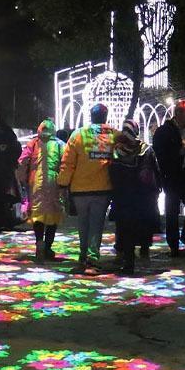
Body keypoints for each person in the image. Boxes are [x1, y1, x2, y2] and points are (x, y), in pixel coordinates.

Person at [58, 103, 116, 273]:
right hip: (103, 188)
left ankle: (83, 257)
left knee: (83, 223)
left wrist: (62, 183)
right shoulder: (113, 134)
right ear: (106, 116)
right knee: (97, 224)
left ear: (91, 116)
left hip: (80, 189)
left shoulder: (78, 134)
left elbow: (67, 162)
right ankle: (92, 258)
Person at [109, 120, 161, 276]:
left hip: (123, 196)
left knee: (125, 228)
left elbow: (112, 173)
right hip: (143, 196)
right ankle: (144, 252)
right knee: (142, 225)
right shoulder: (145, 149)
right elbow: (155, 171)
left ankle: (127, 260)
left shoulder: (117, 150)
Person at [151, 99, 185, 256]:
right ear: (178, 113)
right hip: (172, 176)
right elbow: (159, 153)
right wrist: (176, 155)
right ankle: (173, 244)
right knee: (172, 211)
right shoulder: (164, 131)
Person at [16, 118, 67, 263]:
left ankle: (39, 243)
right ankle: (48, 248)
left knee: (38, 214)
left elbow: (22, 161)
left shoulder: (33, 143)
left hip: (35, 182)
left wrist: (23, 179)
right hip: (54, 182)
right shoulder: (59, 144)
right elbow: (65, 163)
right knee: (53, 214)